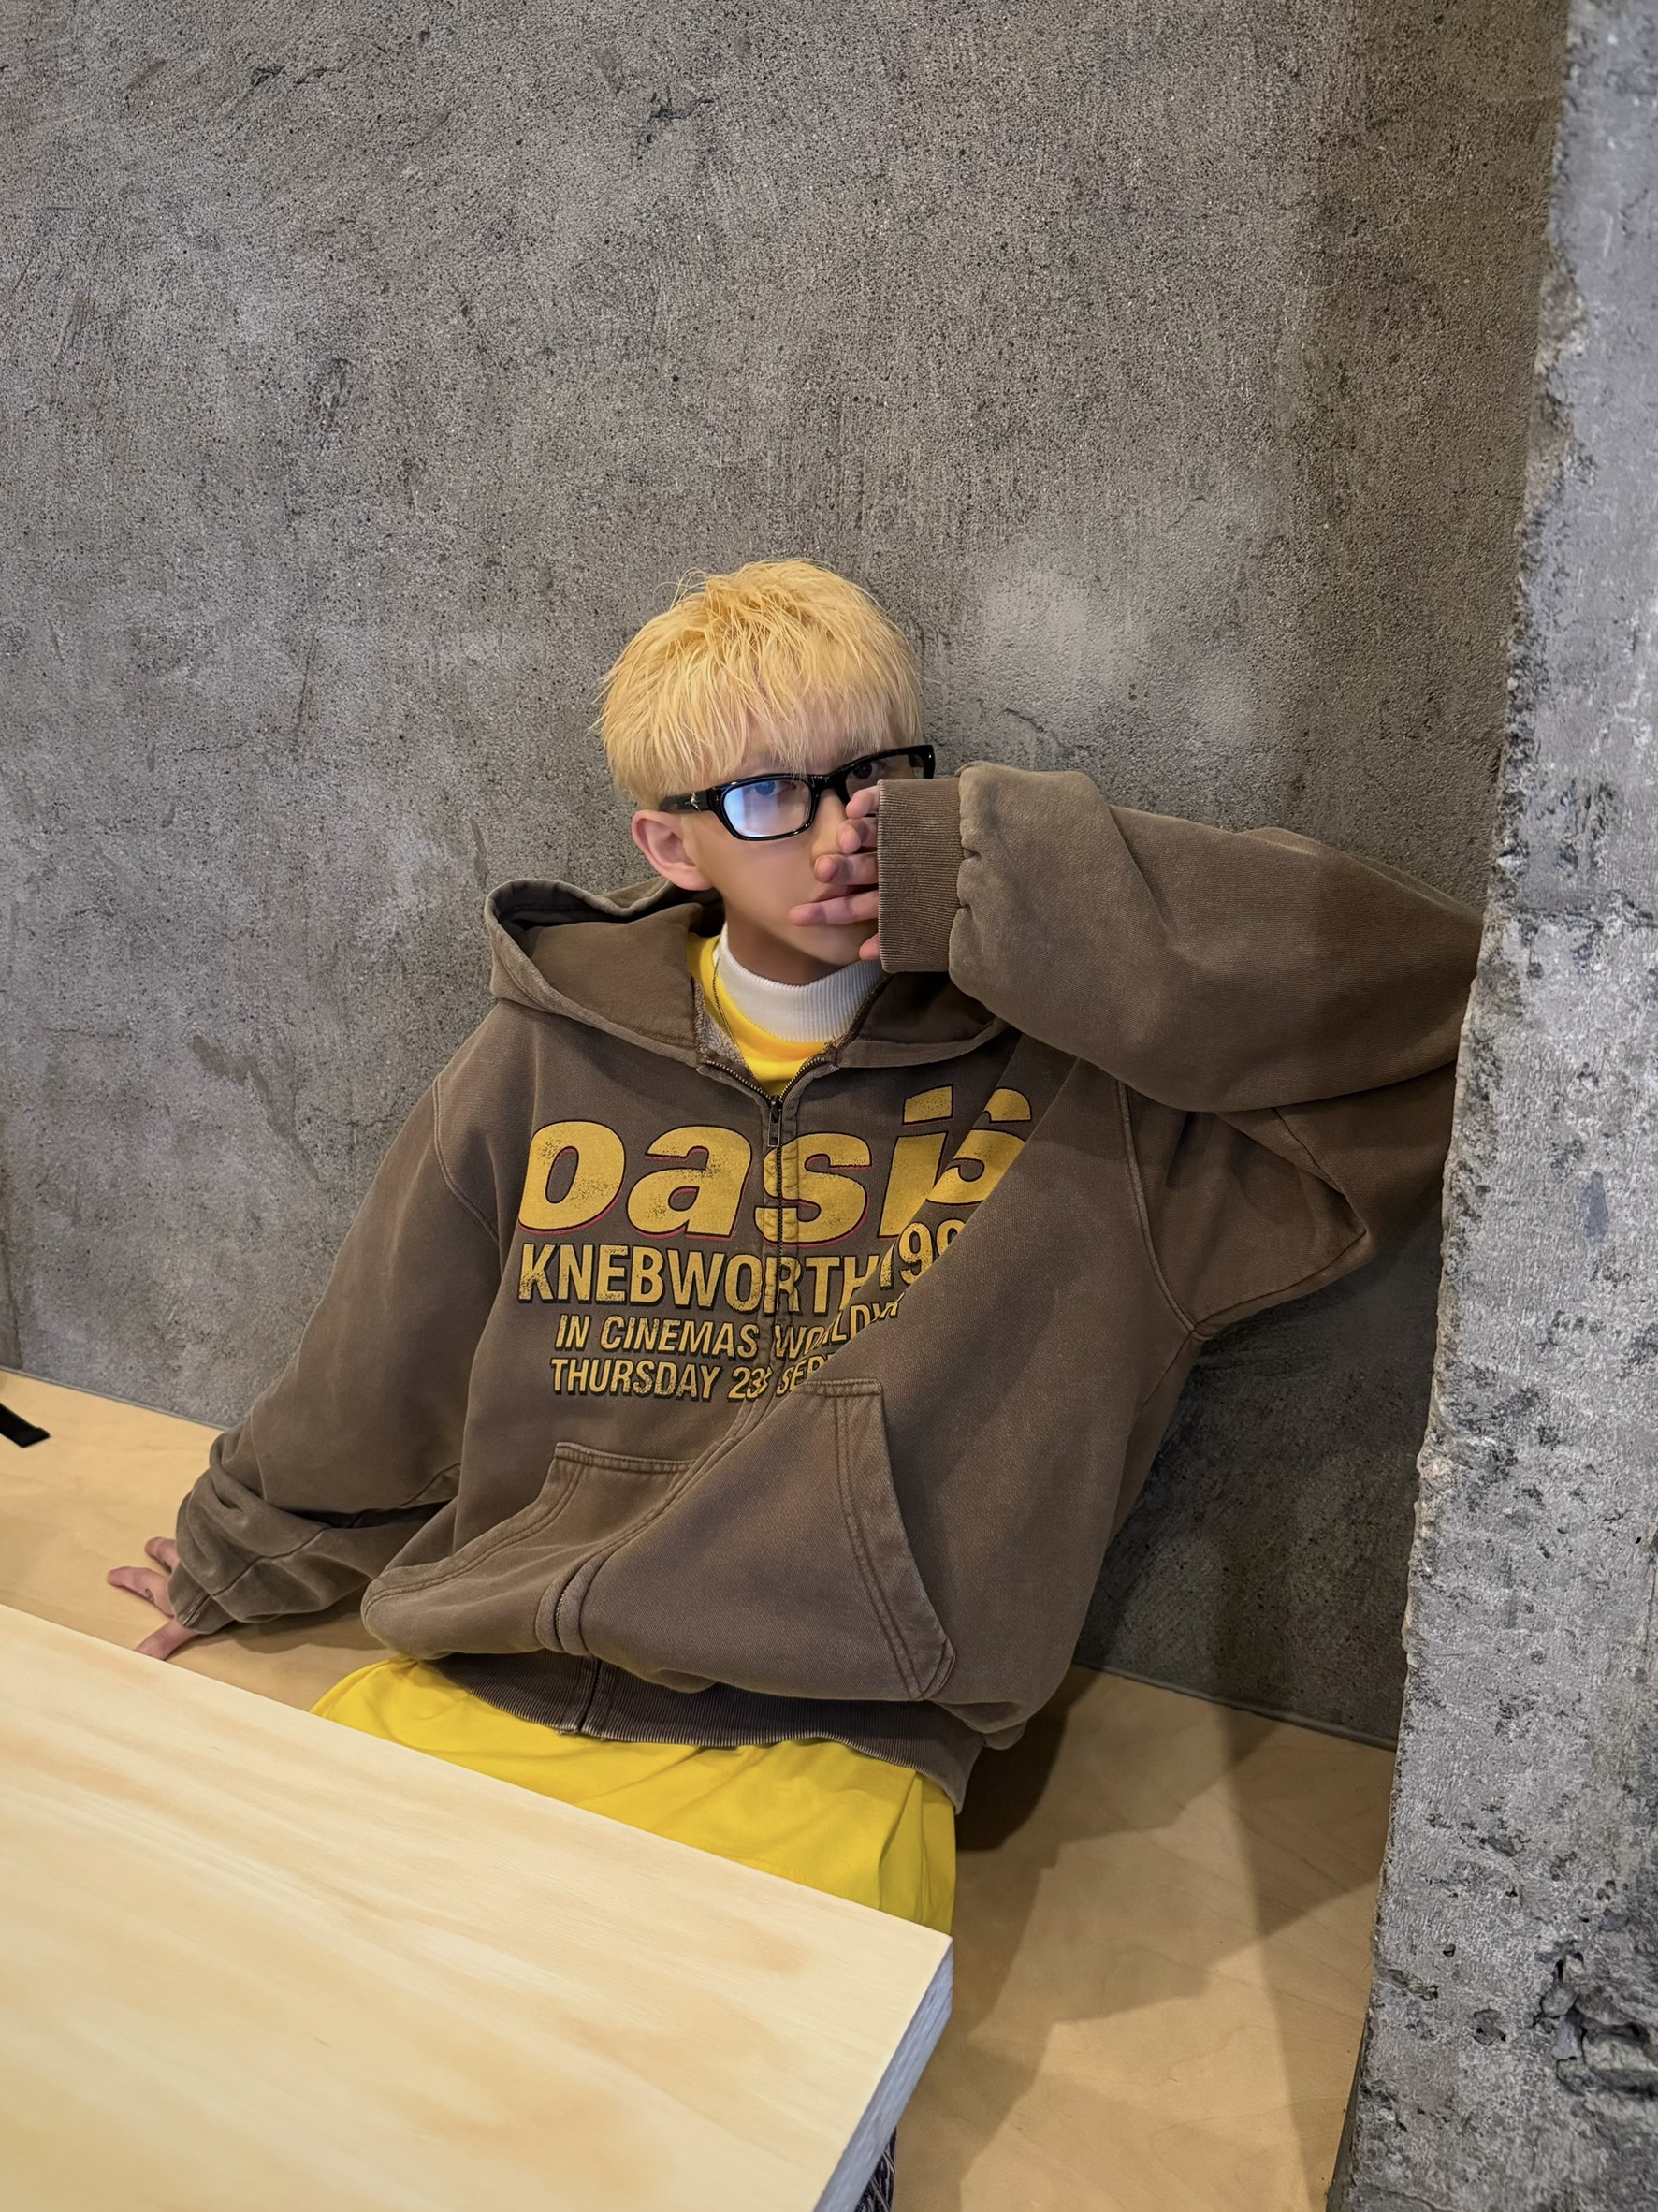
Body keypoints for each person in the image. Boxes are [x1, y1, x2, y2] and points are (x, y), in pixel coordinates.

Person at [110, 559, 1477, 2147]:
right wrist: (249, 1545)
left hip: (831, 1749)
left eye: (877, 781)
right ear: (668, 845)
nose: (842, 836)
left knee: (684, 2155)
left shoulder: (1091, 1112)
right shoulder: (543, 1052)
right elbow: (390, 1341)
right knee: (185, 2098)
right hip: (464, 1686)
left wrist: (979, 872)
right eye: (769, 795)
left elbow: (1452, 1006)